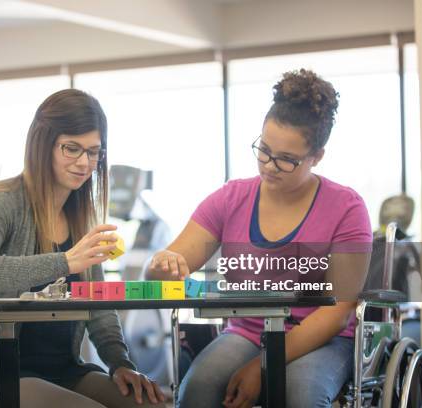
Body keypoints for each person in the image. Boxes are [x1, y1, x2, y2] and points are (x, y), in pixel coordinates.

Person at [147, 69, 372, 408]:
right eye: (264, 150)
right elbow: (166, 269)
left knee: (300, 395)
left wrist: (262, 366)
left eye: (286, 160)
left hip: (321, 339)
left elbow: (337, 313)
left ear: (317, 157)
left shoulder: (347, 208)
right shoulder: (230, 199)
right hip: (248, 331)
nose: (268, 166)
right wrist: (162, 266)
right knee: (198, 390)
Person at [0, 89, 166, 408]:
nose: (84, 162)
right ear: (43, 144)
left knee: (152, 404)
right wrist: (64, 262)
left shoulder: (82, 215)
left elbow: (99, 304)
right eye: (71, 149)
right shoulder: (0, 201)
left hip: (65, 369)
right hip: (1, 376)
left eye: (93, 152)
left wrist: (120, 363)